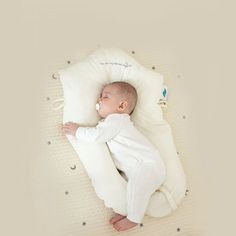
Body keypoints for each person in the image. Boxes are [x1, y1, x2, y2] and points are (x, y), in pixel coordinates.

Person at [62, 81, 166, 232]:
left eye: (105, 97)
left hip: (147, 165)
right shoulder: (112, 122)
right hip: (142, 167)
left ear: (121, 106)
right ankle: (127, 212)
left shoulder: (116, 120)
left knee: (137, 188)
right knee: (132, 189)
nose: (98, 100)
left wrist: (77, 131)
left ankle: (133, 218)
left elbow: (97, 136)